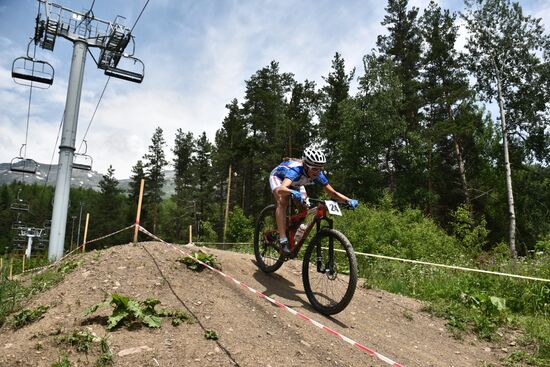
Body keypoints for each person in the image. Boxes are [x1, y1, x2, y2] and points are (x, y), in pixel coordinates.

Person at [269, 147, 358, 255]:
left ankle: (293, 229)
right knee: (283, 201)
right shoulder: (296, 170)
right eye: (315, 169)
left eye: (320, 169)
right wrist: (292, 192)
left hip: (296, 183)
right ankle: (283, 240)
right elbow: (282, 189)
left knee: (304, 207)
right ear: (306, 166)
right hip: (279, 178)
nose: (318, 172)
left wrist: (348, 200)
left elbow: (332, 193)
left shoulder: (317, 174)